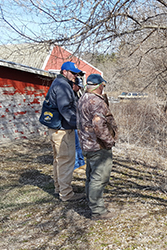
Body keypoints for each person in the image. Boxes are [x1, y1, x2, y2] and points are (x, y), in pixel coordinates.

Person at [77, 74, 118, 220]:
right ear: (99, 85)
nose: (103, 88)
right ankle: (98, 211)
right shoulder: (96, 101)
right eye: (103, 85)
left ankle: (90, 201)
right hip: (98, 145)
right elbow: (99, 125)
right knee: (99, 178)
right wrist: (109, 141)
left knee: (91, 175)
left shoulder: (83, 99)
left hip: (86, 144)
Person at [47, 61, 85, 202]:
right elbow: (65, 110)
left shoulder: (58, 83)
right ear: (64, 72)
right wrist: (80, 124)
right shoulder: (62, 86)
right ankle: (66, 194)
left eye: (76, 73)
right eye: (73, 73)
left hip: (55, 129)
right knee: (66, 162)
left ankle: (59, 189)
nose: (75, 76)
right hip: (62, 130)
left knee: (58, 160)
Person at [72, 77, 85, 169]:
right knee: (75, 145)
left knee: (79, 144)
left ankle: (81, 162)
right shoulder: (69, 95)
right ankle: (76, 164)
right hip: (72, 124)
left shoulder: (77, 95)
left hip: (78, 124)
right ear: (74, 85)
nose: (79, 88)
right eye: (78, 86)